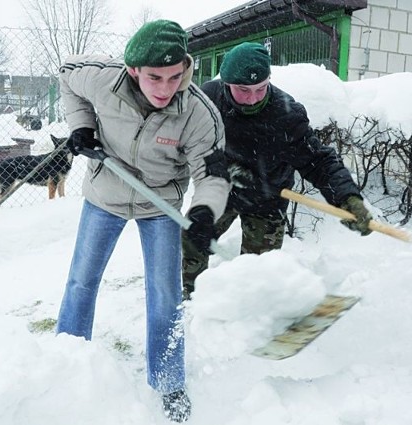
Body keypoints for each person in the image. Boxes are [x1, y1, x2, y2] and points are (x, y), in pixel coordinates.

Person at [55, 20, 230, 423]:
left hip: (160, 206)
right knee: (82, 281)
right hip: (105, 195)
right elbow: (66, 75)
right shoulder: (104, 80)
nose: (166, 88)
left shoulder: (200, 114)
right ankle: (66, 364)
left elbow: (212, 174)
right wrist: (81, 126)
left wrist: (204, 212)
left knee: (165, 295)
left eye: (175, 76)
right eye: (155, 77)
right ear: (134, 69)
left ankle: (168, 383)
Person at [182, 42, 373, 299]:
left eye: (261, 88)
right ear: (226, 83)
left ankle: (253, 311)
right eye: (243, 90)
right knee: (194, 237)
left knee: (259, 272)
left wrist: (347, 197)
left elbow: (318, 161)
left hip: (267, 198)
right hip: (223, 191)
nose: (253, 98)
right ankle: (192, 296)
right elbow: (192, 140)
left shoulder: (286, 114)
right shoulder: (209, 98)